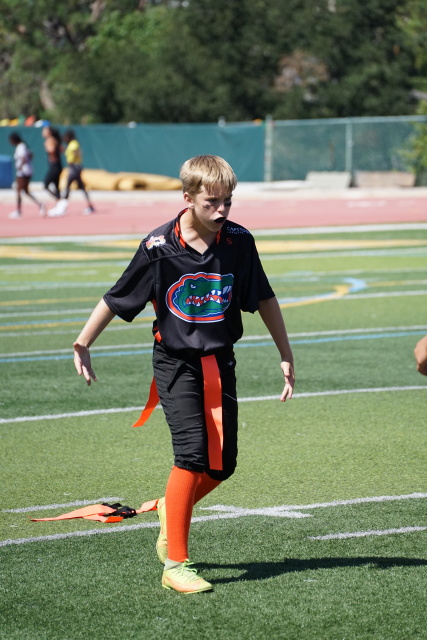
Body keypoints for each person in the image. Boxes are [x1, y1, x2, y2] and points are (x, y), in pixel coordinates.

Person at [73, 155, 295, 594]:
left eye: (228, 201)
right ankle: (176, 564)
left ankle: (168, 508)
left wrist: (285, 353)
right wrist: (83, 341)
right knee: (192, 456)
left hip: (221, 361)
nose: (222, 210)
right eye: (212, 202)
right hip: (175, 364)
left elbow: (264, 297)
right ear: (188, 197)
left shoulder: (239, 241)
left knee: (222, 466)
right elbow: (118, 297)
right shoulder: (158, 246)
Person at [8, 132, 46, 219]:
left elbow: (23, 157)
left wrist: (21, 167)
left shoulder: (20, 147)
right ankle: (40, 204)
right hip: (27, 171)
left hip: (23, 172)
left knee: (19, 190)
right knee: (26, 191)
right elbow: (31, 155)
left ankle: (18, 211)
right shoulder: (24, 146)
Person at [61, 129, 95, 215]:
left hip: (74, 167)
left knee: (68, 185)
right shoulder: (71, 144)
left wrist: (72, 159)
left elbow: (76, 153)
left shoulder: (74, 144)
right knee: (81, 186)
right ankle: (90, 206)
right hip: (74, 167)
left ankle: (63, 207)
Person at [41, 125, 66, 217]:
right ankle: (59, 205)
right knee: (56, 186)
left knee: (46, 184)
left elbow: (51, 150)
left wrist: (50, 150)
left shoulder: (49, 140)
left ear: (49, 132)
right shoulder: (55, 140)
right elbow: (62, 149)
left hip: (54, 166)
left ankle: (60, 201)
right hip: (58, 166)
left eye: (45, 130)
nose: (43, 132)